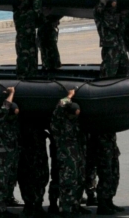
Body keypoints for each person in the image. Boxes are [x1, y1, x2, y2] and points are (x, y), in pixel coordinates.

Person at [50, 89, 86, 218]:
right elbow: (60, 105)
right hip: (66, 157)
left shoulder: (73, 121)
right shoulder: (58, 122)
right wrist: (69, 96)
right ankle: (65, 209)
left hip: (77, 156)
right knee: (67, 183)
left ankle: (75, 206)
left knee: (79, 181)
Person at [0, 87, 20, 218]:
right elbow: (4, 110)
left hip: (10, 158)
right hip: (1, 158)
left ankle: (2, 207)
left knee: (6, 183)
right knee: (0, 184)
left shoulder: (12, 122)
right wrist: (11, 93)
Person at [94, 0, 129, 79]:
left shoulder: (117, 16)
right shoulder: (100, 15)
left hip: (120, 47)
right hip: (110, 48)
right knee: (109, 73)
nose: (113, 9)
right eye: (111, 7)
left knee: (126, 70)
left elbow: (122, 26)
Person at [17, 117, 49, 218]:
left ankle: (37, 205)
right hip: (27, 152)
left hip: (38, 154)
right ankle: (29, 205)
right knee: (25, 178)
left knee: (41, 178)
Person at [13, 0, 43, 78]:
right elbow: (37, 12)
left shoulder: (17, 14)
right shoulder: (27, 15)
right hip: (28, 43)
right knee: (30, 65)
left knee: (24, 63)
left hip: (22, 42)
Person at [92, 133, 123, 216]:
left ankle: (109, 201)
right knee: (105, 176)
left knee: (114, 174)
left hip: (111, 145)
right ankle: (102, 204)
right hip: (102, 147)